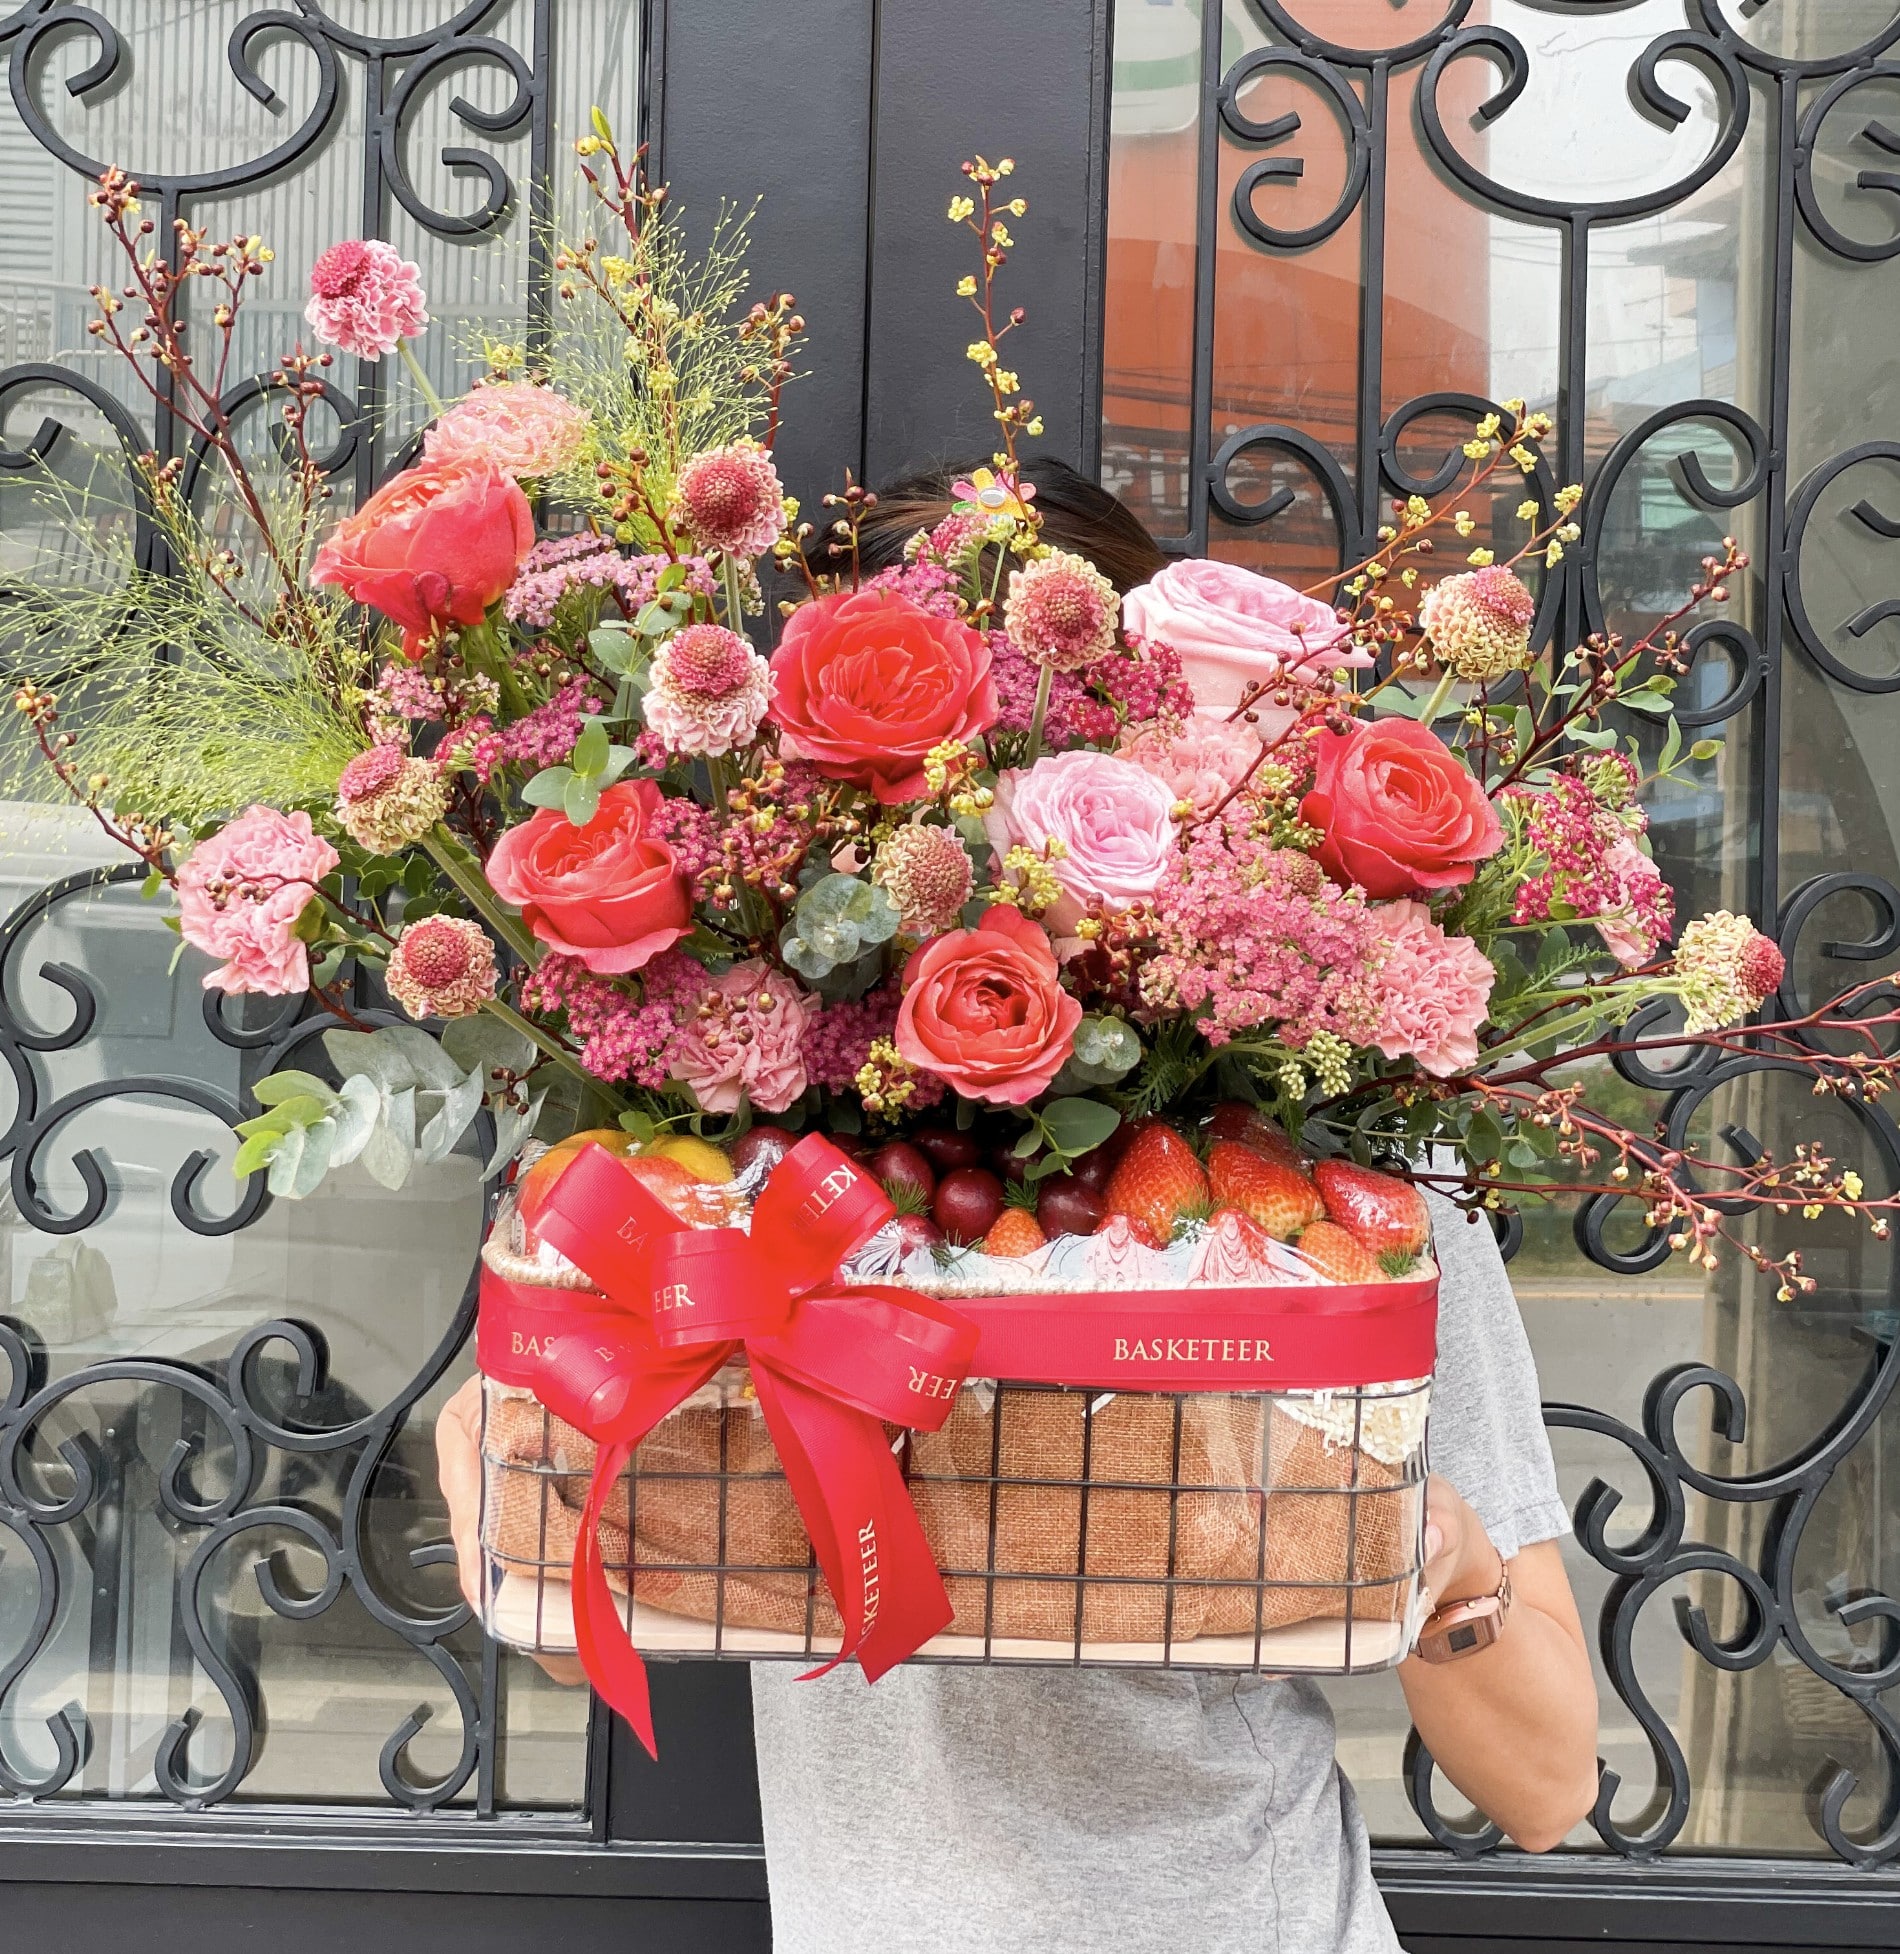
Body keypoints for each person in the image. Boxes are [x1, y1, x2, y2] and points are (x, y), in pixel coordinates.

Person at [435, 456, 1599, 1954]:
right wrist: (519, 1483)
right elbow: (593, 1628)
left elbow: (1551, 1779)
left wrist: (1438, 1570)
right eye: (905, 774)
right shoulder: (750, 1177)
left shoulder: (1339, 1203)